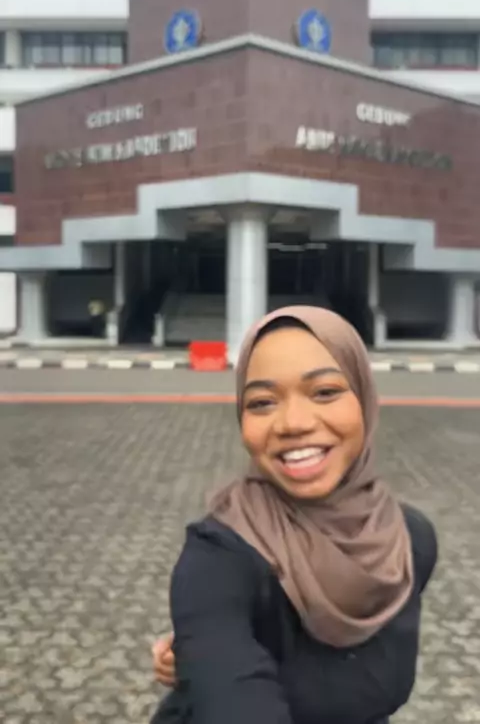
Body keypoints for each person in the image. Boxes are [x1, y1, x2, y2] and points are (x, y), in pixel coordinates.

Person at [151, 306, 437, 724]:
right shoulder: (218, 557)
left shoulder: (409, 541)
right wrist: (205, 655)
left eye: (324, 392)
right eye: (262, 402)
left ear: (364, 397)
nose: (293, 423)